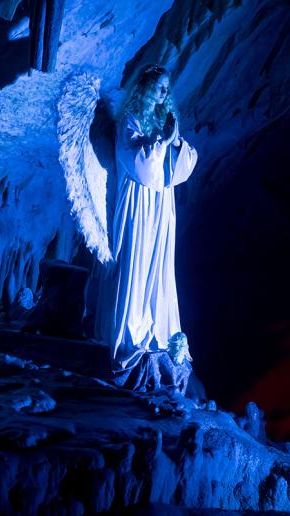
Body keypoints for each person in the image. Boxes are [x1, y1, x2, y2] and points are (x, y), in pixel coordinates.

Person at [97, 65, 198, 389]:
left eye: (166, 88)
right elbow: (139, 166)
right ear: (144, 88)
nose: (162, 93)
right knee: (136, 263)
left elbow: (181, 166)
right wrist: (161, 143)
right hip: (139, 204)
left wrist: (174, 142)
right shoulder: (130, 121)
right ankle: (129, 334)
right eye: (158, 86)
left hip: (161, 207)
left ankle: (157, 331)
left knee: (157, 267)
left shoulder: (161, 123)